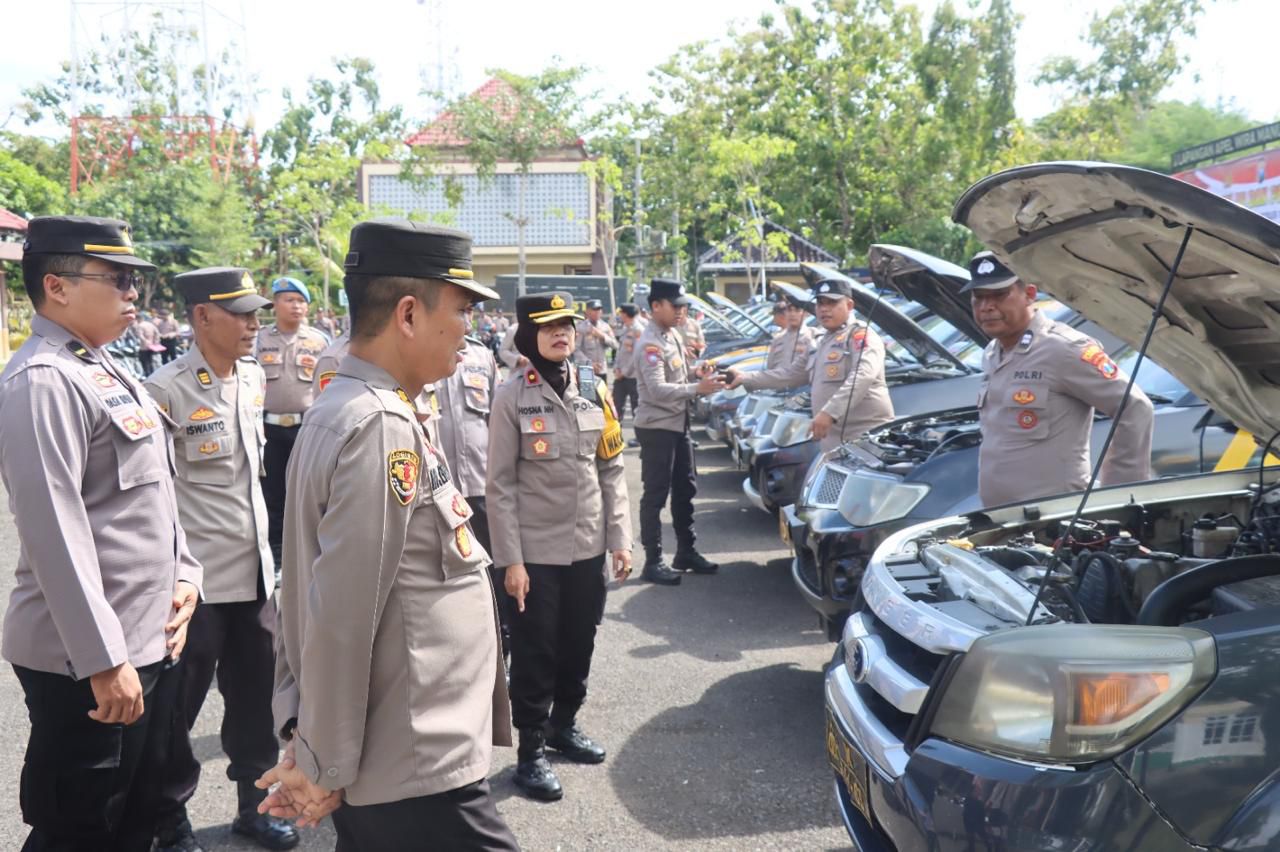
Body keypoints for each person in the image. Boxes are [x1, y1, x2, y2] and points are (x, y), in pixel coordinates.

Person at [258, 220, 516, 851]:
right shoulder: (378, 424)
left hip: (402, 750)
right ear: (408, 313)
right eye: (459, 309)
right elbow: (339, 613)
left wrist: (305, 738)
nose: (468, 330)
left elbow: (305, 592)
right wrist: (323, 767)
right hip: (413, 760)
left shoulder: (349, 408)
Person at [0, 215, 202, 851]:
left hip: (145, 642)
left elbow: (153, 492)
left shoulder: (103, 366)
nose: (132, 293)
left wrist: (186, 573)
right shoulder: (42, 380)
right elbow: (55, 531)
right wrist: (104, 659)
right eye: (115, 279)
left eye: (132, 280)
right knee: (79, 830)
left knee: (136, 820)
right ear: (56, 287)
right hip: (87, 662)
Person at [145, 268, 298, 852]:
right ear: (201, 316)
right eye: (241, 313)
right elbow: (152, 495)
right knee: (175, 710)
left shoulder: (253, 379)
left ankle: (252, 809)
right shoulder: (164, 390)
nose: (254, 323)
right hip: (195, 584)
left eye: (256, 312)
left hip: (255, 575)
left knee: (257, 705)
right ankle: (167, 819)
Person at [486, 291, 631, 801]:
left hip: (588, 543)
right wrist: (512, 561)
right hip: (536, 554)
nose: (561, 333)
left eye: (566, 325)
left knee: (579, 642)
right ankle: (529, 752)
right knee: (535, 649)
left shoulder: (593, 385)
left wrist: (620, 538)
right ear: (529, 336)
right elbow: (499, 485)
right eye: (548, 327)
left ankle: (563, 726)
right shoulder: (512, 396)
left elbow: (611, 466)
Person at [963, 251, 1154, 507]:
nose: (987, 306)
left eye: (999, 295)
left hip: (1055, 520)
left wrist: (1117, 495)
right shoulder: (993, 352)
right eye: (979, 297)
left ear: (1030, 294)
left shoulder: (1063, 349)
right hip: (1003, 518)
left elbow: (1135, 406)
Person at [727, 276, 894, 451]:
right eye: (820, 303)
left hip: (867, 437)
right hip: (832, 439)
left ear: (849, 306)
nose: (824, 309)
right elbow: (789, 374)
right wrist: (745, 377)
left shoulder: (861, 336)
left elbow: (863, 376)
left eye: (832, 303)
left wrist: (829, 413)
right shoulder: (820, 341)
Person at [633, 278, 724, 585]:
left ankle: (686, 551)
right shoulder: (649, 343)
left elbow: (675, 376)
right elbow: (658, 390)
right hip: (658, 427)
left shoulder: (670, 336)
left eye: (683, 305)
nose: (681, 310)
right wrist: (697, 387)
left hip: (677, 424)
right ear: (656, 306)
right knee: (656, 494)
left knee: (685, 489)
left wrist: (696, 375)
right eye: (676, 305)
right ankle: (652, 560)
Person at [434, 307, 510, 660]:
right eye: (457, 310)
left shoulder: (482, 355)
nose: (463, 318)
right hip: (439, 491)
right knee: (445, 576)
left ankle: (499, 651)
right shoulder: (425, 355)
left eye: (467, 312)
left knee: (493, 574)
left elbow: (499, 418)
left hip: (482, 485)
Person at [255, 277, 329, 566]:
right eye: (289, 300)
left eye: (301, 301)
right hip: (268, 428)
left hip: (306, 427)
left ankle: (310, 549)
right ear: (275, 304)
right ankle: (277, 551)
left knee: (309, 490)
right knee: (272, 492)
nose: (296, 306)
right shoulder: (259, 340)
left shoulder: (319, 341)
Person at [612, 303, 646, 419]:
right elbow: (620, 351)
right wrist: (616, 368)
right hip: (620, 376)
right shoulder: (625, 329)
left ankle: (639, 437)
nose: (619, 315)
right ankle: (616, 436)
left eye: (621, 313)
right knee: (616, 409)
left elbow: (637, 356)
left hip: (633, 377)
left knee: (636, 410)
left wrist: (624, 372)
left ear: (625, 314)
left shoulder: (638, 330)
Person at [574, 298, 617, 384]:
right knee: (588, 395)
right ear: (588, 311)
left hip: (602, 368)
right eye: (594, 309)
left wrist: (602, 336)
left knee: (602, 395)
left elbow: (615, 345)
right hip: (586, 368)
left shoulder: (605, 327)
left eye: (599, 309)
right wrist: (590, 363)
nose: (597, 312)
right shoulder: (581, 327)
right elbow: (575, 349)